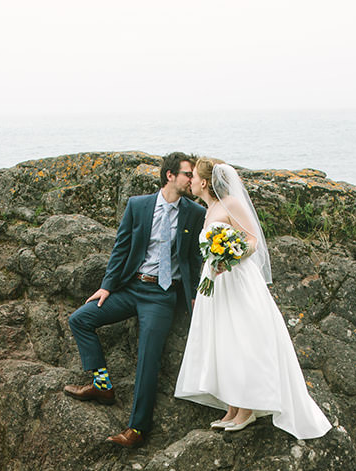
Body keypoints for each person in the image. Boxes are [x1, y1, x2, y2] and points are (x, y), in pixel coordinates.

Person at [174, 158, 332, 440]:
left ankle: (246, 409)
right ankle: (233, 406)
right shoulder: (209, 208)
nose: (191, 180)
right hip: (216, 282)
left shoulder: (231, 204)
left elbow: (252, 240)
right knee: (224, 342)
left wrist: (230, 255)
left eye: (194, 176)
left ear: (205, 182)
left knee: (242, 339)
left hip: (237, 280)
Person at [62, 152, 207, 448]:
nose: (192, 180)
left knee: (148, 357)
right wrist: (106, 287)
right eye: (187, 174)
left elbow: (194, 257)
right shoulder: (138, 206)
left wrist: (192, 295)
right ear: (170, 175)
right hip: (131, 288)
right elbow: (121, 248)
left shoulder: (195, 212)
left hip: (162, 295)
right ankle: (103, 386)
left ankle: (137, 429)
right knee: (80, 319)